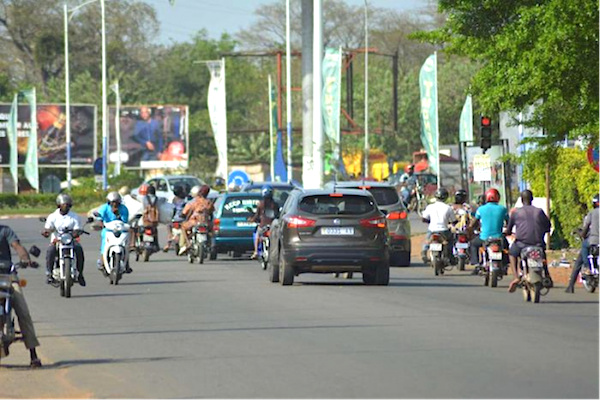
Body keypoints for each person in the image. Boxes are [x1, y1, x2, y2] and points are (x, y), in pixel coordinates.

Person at [0, 224, 41, 368]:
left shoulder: (5, 230)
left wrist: (25, 258)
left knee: (23, 311)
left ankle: (33, 354)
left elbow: (17, 246)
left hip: (8, 275)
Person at [505, 189, 552, 292]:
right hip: (538, 243)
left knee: (512, 253)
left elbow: (509, 229)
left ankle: (516, 276)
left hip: (522, 244)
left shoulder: (516, 212)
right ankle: (547, 274)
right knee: (542, 255)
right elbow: (548, 226)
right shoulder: (539, 211)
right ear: (532, 199)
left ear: (522, 200)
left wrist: (508, 233)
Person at [41, 194, 86, 287]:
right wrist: (46, 232)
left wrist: (76, 232)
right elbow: (48, 228)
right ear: (59, 205)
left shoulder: (74, 216)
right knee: (50, 251)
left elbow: (77, 228)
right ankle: (49, 274)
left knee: (79, 250)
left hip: (70, 240)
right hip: (57, 240)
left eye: (68, 205)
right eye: (64, 204)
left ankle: (80, 274)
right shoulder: (53, 216)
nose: (66, 207)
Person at [468, 188, 509, 275]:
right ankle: (505, 264)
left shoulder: (481, 209)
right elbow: (509, 223)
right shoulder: (502, 209)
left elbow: (473, 224)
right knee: (506, 247)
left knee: (473, 244)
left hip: (484, 237)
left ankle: (476, 264)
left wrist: (471, 230)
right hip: (499, 237)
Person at [565, 194, 599, 293]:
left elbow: (584, 232)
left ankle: (587, 268)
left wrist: (578, 231)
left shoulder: (592, 213)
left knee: (584, 247)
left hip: (594, 241)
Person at [96, 192, 131, 273]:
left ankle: (127, 262)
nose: (115, 204)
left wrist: (118, 214)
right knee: (105, 243)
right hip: (108, 230)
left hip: (120, 230)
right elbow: (99, 218)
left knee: (125, 244)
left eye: (116, 202)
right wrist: (101, 225)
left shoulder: (123, 209)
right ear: (109, 202)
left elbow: (125, 221)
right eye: (113, 202)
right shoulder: (104, 208)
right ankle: (102, 260)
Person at [421, 187, 458, 263]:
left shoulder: (430, 207)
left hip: (432, 230)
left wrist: (429, 221)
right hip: (444, 230)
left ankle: (424, 252)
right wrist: (452, 223)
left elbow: (423, 218)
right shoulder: (448, 208)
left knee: (427, 240)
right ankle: (450, 256)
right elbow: (454, 220)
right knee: (451, 240)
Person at [179, 185, 214, 255]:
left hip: (194, 222)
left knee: (183, 227)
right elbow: (211, 212)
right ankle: (210, 244)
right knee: (211, 231)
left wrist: (182, 215)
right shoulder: (209, 202)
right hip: (205, 223)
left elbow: (184, 212)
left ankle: (187, 243)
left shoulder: (194, 202)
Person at [249, 185, 280, 260]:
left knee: (257, 235)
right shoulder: (275, 204)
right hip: (273, 225)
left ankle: (256, 251)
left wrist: (252, 219)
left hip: (263, 225)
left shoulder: (261, 204)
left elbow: (257, 215)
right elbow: (277, 214)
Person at [165, 185, 188, 252]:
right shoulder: (185, 199)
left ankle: (168, 243)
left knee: (168, 226)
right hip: (182, 219)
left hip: (174, 219)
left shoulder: (173, 200)